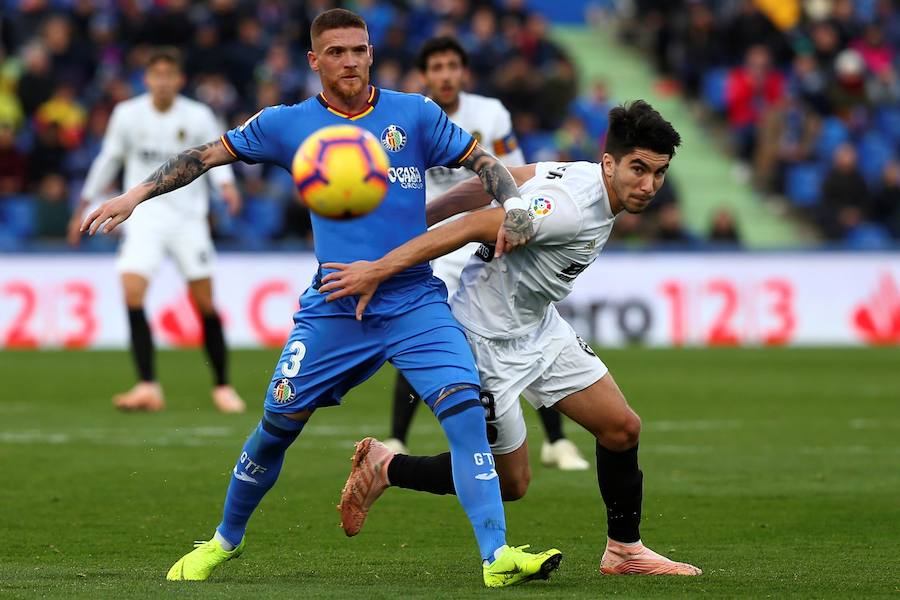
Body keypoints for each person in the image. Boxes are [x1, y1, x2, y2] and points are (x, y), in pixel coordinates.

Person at [81, 9, 561, 587]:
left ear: (372, 52)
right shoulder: (288, 124)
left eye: (360, 49)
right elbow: (205, 156)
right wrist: (133, 195)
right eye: (337, 52)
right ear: (314, 61)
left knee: (464, 410)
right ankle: (223, 541)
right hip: (335, 307)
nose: (351, 61)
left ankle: (496, 557)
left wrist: (512, 207)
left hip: (413, 299)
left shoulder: (414, 114)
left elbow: (485, 163)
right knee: (277, 425)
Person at [325, 100, 702, 577]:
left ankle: (624, 551)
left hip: (539, 328)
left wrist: (422, 214)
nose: (648, 185)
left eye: (659, 173)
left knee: (621, 428)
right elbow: (471, 226)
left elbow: (498, 177)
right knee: (512, 482)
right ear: (610, 162)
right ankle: (385, 467)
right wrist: (380, 265)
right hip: (486, 342)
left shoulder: (580, 175)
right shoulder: (566, 211)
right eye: (639, 169)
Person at [384, 35, 589, 471]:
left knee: (523, 329)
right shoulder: (406, 120)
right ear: (425, 76)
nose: (445, 75)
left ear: (463, 72)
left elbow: (513, 177)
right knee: (424, 331)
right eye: (436, 67)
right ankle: (398, 437)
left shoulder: (490, 114)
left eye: (451, 66)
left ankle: (556, 441)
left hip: (482, 238)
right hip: (431, 242)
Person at [67, 48, 245, 414]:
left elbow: (215, 154)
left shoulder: (197, 115)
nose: (162, 81)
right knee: (132, 292)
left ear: (179, 80)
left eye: (169, 75)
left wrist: (226, 186)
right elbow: (109, 159)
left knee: (205, 303)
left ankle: (222, 386)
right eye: (155, 75)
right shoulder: (127, 114)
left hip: (187, 220)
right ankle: (148, 385)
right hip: (143, 219)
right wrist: (85, 202)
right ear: (146, 79)